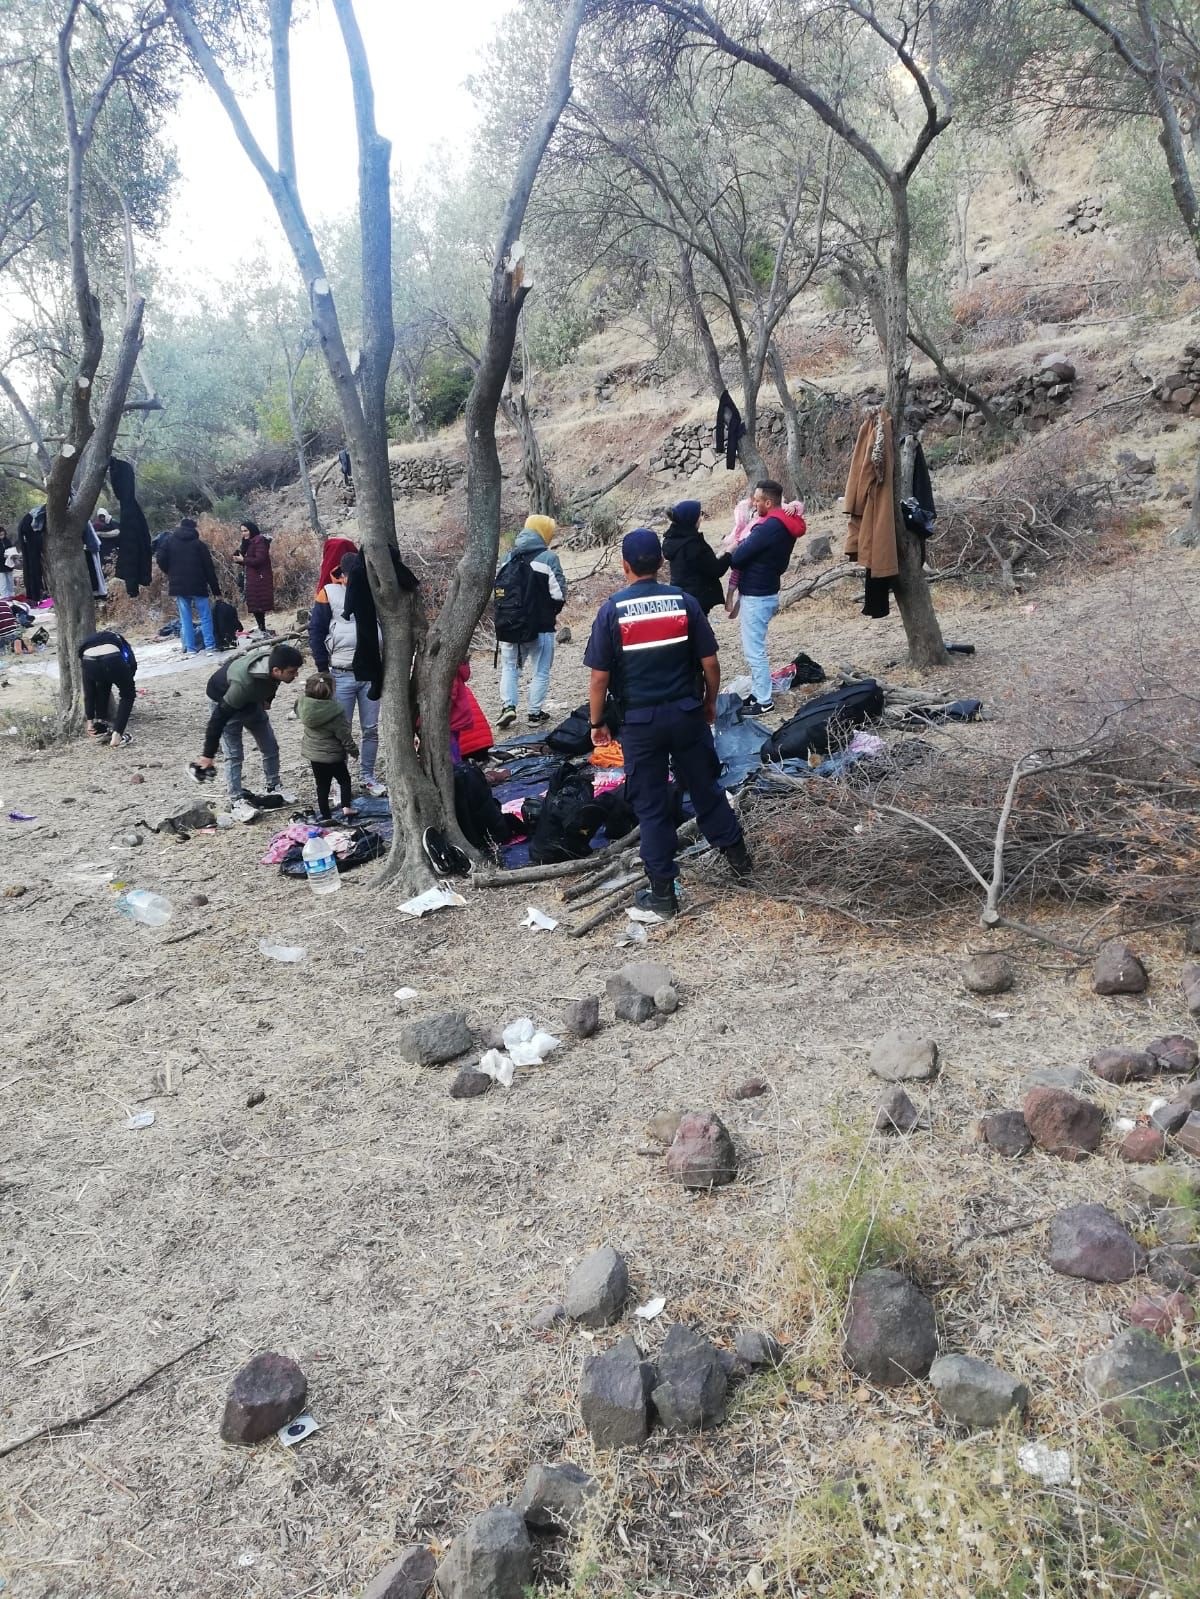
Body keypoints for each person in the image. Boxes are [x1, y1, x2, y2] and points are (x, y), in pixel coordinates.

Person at [584, 527, 751, 918]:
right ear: (661, 563)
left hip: (640, 723)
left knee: (652, 806)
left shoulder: (612, 610)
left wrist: (596, 724)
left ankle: (663, 893)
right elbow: (710, 663)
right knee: (705, 788)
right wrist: (709, 703)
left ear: (624, 566)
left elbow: (599, 679)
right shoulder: (684, 602)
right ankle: (740, 860)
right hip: (686, 715)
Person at [309, 540, 387, 797]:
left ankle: (367, 776)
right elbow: (317, 632)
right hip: (340, 673)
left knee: (370, 729)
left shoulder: (373, 590)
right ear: (340, 574)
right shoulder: (328, 593)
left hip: (369, 673)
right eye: (348, 576)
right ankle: (337, 781)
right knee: (337, 729)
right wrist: (323, 670)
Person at [190, 641, 303, 820]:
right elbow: (217, 719)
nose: (295, 675)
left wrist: (268, 700)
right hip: (223, 699)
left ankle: (273, 787)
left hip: (252, 702)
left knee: (270, 746)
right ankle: (236, 800)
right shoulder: (244, 685)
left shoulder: (274, 663)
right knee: (234, 754)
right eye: (291, 672)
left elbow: (274, 684)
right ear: (276, 670)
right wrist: (207, 755)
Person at [728, 479, 806, 714]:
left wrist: (738, 546)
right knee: (754, 649)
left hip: (757, 595)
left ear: (769, 502)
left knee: (755, 651)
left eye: (758, 499)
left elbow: (738, 557)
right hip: (766, 589)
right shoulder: (783, 522)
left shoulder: (769, 527)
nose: (754, 503)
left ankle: (764, 701)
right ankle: (757, 693)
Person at [495, 514, 567, 729]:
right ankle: (534, 714)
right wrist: (551, 612)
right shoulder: (548, 558)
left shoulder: (508, 557)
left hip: (510, 624)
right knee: (541, 671)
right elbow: (559, 594)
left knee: (509, 667)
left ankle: (508, 706)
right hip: (541, 626)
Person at [297, 671, 358, 821]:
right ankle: (346, 807)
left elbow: (296, 712)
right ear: (331, 691)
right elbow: (345, 736)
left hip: (315, 756)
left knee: (322, 785)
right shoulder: (335, 712)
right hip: (333, 756)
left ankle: (325, 815)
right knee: (344, 780)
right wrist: (353, 751)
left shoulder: (302, 705)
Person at [156, 516, 222, 654]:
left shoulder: (169, 542)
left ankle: (190, 648)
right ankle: (210, 646)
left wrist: (170, 571)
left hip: (179, 585)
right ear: (194, 528)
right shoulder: (199, 544)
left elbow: (160, 558)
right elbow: (209, 568)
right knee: (205, 616)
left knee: (185, 618)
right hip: (198, 584)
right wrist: (216, 590)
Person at [661, 499, 731, 615]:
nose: (701, 518)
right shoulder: (693, 545)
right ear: (691, 519)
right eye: (699, 515)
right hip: (697, 600)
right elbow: (716, 570)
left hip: (681, 597)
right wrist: (729, 553)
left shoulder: (672, 540)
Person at [79, 630, 137, 746]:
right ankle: (117, 735)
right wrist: (126, 680)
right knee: (127, 695)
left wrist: (89, 719)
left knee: (101, 684)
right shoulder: (119, 639)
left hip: (88, 660)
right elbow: (132, 663)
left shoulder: (88, 642)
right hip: (113, 658)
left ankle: (99, 726)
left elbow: (88, 691)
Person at [239, 519, 274, 636]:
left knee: (259, 604)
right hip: (253, 577)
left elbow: (259, 560)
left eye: (245, 530)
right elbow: (250, 560)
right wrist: (239, 559)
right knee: (255, 605)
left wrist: (243, 560)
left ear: (251, 530)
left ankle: (263, 629)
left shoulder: (259, 541)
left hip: (260, 578)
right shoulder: (249, 542)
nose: (243, 533)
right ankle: (262, 628)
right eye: (242, 531)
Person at [16, 506, 46, 603]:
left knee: (30, 567)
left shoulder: (34, 513)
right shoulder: (40, 514)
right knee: (33, 568)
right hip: (29, 539)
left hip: (27, 539)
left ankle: (33, 595)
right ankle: (35, 595)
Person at [0, 524, 14, 599]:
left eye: (3, 534)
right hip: (1, 564)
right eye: (0, 535)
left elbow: (11, 549)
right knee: (2, 581)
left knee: (10, 580)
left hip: (9, 563)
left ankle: (11, 594)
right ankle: (4, 595)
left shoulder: (7, 541)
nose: (2, 536)